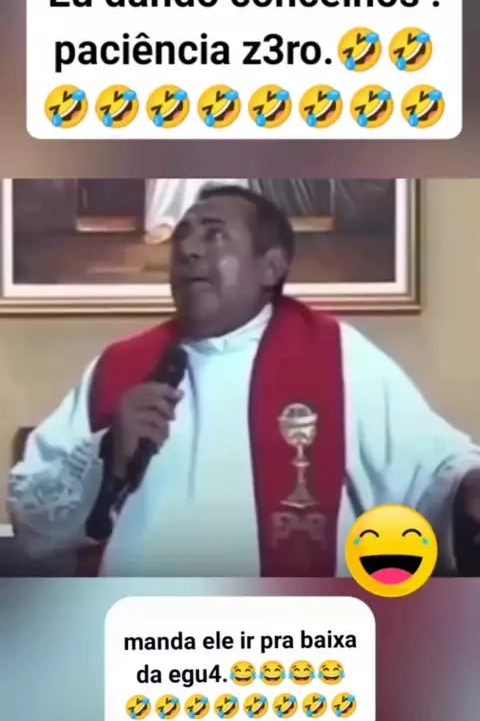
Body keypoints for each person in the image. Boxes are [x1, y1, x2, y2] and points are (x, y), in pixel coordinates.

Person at [7, 185, 480, 578]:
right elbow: (31, 520)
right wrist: (107, 453)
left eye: (214, 235)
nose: (188, 250)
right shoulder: (120, 366)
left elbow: (435, 472)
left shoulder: (337, 355)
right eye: (183, 236)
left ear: (270, 266)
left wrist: (468, 489)